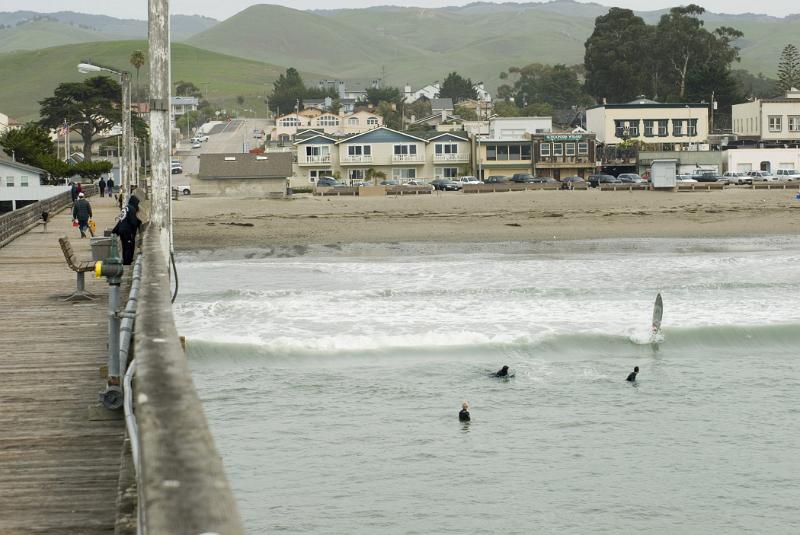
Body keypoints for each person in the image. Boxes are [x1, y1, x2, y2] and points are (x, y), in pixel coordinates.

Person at [112, 195, 142, 265]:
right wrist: (139, 224)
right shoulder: (132, 209)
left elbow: (121, 220)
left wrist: (114, 231)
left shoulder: (125, 208)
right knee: (129, 247)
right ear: (135, 203)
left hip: (121, 230)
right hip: (127, 231)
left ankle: (125, 261)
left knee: (124, 247)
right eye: (137, 204)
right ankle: (127, 263)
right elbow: (133, 221)